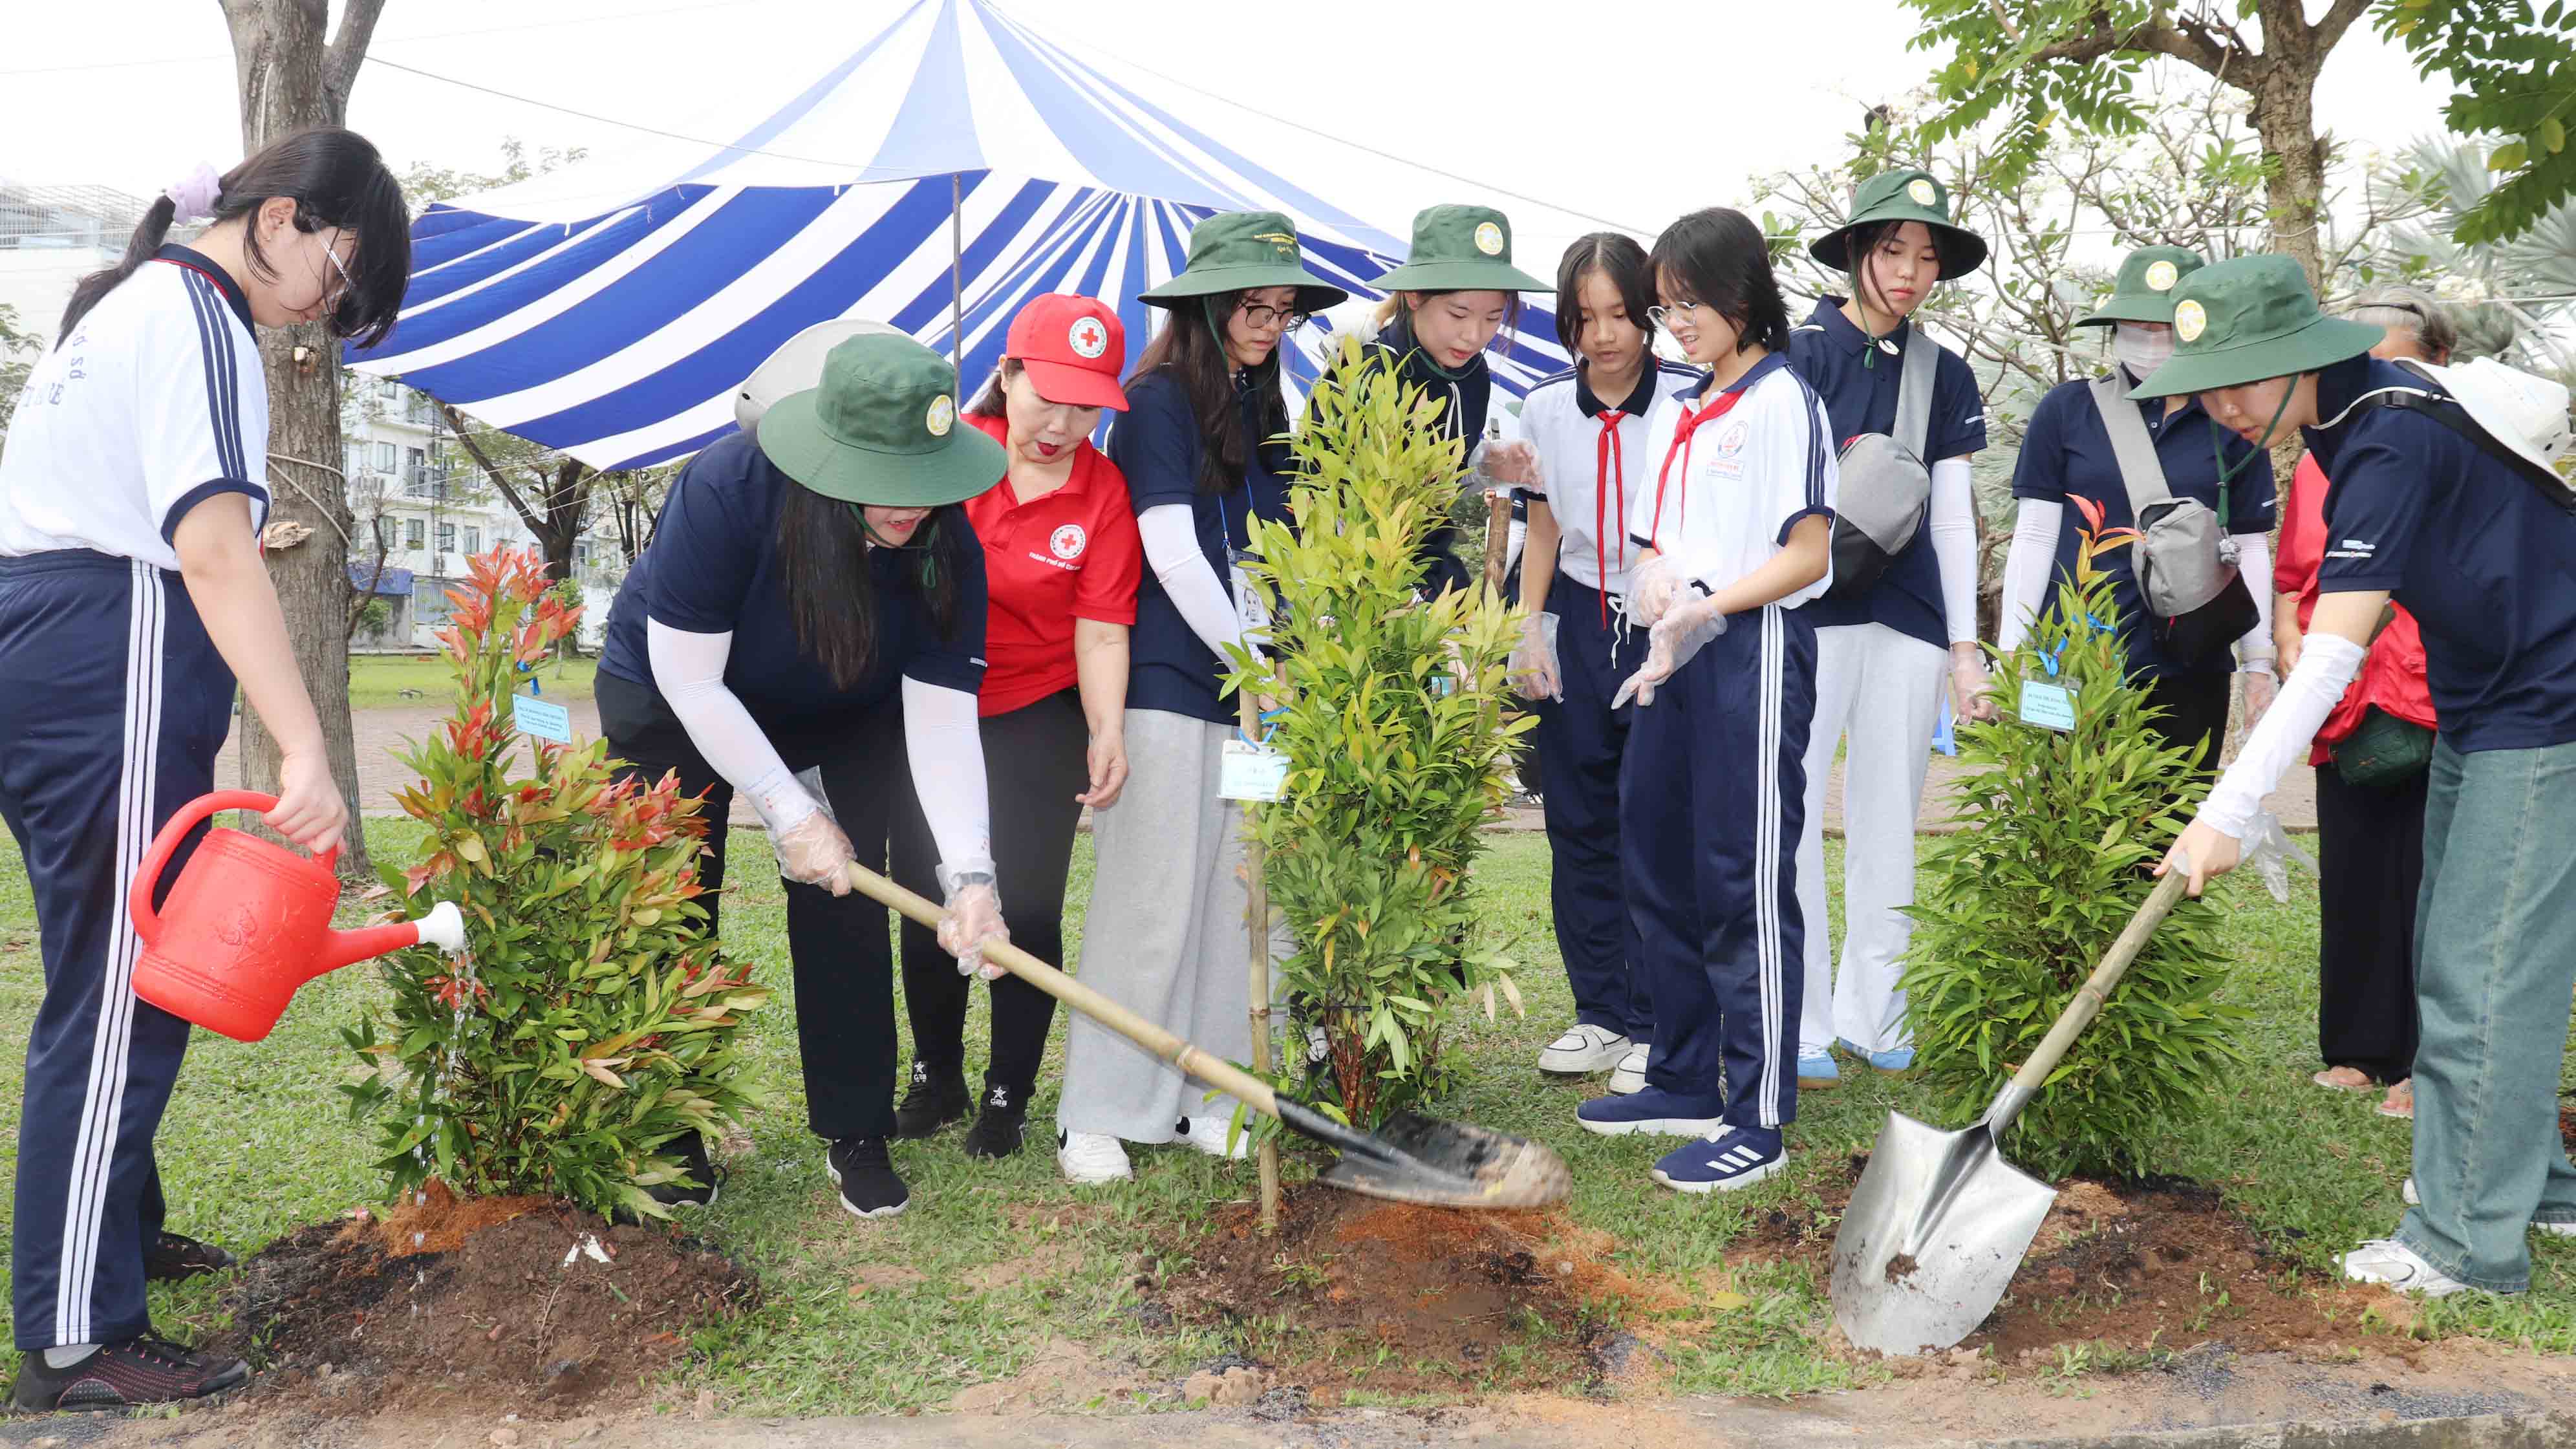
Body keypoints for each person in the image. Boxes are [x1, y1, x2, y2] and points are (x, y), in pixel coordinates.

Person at [1, 129, 405, 1411]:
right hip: (101, 636)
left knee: (112, 964)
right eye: (347, 275)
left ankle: (113, 1227)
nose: (331, 309)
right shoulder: (196, 315)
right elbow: (217, 550)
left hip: (56, 633)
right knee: (128, 983)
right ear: (284, 219)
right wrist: (303, 745)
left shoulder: (130, 301)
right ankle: (75, 1333)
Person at [2152, 253, 2576, 1299]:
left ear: (2297, 355)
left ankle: (2464, 1246)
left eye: (2238, 377)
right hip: (2481, 701)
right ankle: (2539, 1188)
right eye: (2205, 384)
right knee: (2451, 954)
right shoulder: (2344, 427)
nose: (2221, 404)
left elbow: (2332, 650)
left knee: (2482, 969)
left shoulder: (2383, 435)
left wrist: (2225, 809)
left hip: (2546, 700)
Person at [596, 329, 1009, 1221]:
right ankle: (667, 1130)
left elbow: (941, 720)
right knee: (665, 904)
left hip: (840, 709)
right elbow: (693, 680)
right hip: (675, 698)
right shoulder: (729, 490)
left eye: (922, 482)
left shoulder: (948, 545)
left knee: (847, 895)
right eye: (883, 479)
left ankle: (856, 1125)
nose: (908, 507)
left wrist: (971, 875)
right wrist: (785, 807)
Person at [1053, 212, 1348, 1184]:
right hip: (1178, 684)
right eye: (1250, 305)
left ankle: (1209, 1095)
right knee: (1151, 901)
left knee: (1240, 902)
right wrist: (1249, 660)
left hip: (1260, 697)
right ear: (1205, 304)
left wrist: (1292, 663)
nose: (1268, 323)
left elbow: (1275, 550)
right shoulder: (1155, 400)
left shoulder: (1264, 409)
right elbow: (1174, 549)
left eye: (1281, 308)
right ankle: (1099, 1108)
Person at [1573, 207, 1838, 1195]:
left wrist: (1705, 607)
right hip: (1670, 660)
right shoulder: (1685, 407)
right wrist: (1654, 589)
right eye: (1664, 307)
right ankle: (1682, 1074)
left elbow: (1806, 553)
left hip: (1750, 652)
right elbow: (1657, 541)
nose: (1672, 323)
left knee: (1740, 875)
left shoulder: (1784, 402)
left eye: (1687, 304)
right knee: (1657, 857)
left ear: (1740, 295)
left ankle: (1757, 1113)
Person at [888, 294, 1141, 1159]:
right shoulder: (947, 456)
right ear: (1006, 375)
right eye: (1049, 397)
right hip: (932, 708)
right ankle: (935, 1072)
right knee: (932, 897)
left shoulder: (1102, 490)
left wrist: (1104, 729)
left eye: (1086, 405)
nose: (1064, 423)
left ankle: (1008, 1089)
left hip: (1036, 707)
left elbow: (1102, 625)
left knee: (1026, 905)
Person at [1786, 167, 1991, 1084]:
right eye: (1893, 250)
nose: (1910, 272)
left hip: (1907, 617)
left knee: (1888, 818)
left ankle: (1880, 1012)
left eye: (1926, 256)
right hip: (1808, 612)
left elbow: (1954, 514)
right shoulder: (1800, 352)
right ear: (1859, 253)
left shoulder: (1945, 371)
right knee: (1790, 814)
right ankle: (1800, 1017)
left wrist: (1964, 645)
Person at [1513, 233, 1701, 1091]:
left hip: (1667, 618)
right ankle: (1599, 1014)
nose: (1605, 336)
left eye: (1621, 314)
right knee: (1579, 820)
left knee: (1654, 822)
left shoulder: (1695, 400)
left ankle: (1658, 1019)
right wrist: (1525, 627)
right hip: (1576, 620)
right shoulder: (1546, 409)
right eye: (1585, 319)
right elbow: (1544, 524)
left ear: (1651, 314)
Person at [1998, 246, 2279, 775]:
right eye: (2137, 325)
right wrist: (2011, 650)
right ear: (2115, 327)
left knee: (2169, 827)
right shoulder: (2066, 410)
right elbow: (2035, 536)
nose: (2152, 341)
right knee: (2065, 823)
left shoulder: (2233, 421)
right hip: (2070, 660)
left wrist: (2258, 662)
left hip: (2192, 662)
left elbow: (2249, 545)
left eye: (2167, 326)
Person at [2273, 286, 2451, 1120]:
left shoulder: (2444, 439)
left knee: (2430, 873)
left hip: (2429, 685)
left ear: (2438, 364)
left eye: (2396, 359)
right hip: (2339, 689)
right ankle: (2355, 1047)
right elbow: (2291, 576)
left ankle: (2425, 1062)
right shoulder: (2319, 455)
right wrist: (2285, 638)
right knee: (2352, 867)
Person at [1327, 204, 1551, 599]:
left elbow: (1448, 485)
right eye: (1459, 313)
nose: (1474, 335)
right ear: (1414, 296)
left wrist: (1491, 463)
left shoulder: (1474, 376)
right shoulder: (1365, 370)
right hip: (1358, 584)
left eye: (1492, 317)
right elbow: (1322, 495)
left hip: (1434, 574)